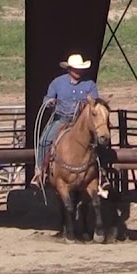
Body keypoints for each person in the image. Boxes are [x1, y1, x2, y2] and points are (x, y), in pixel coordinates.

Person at [33, 53, 99, 186]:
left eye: (80, 69)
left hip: (82, 124)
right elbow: (47, 98)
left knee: (98, 142)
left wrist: (90, 103)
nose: (79, 71)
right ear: (69, 69)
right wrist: (50, 101)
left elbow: (95, 103)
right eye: (76, 69)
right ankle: (39, 171)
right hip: (62, 120)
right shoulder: (57, 83)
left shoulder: (89, 84)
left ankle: (101, 174)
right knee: (44, 141)